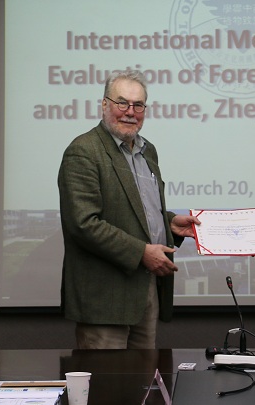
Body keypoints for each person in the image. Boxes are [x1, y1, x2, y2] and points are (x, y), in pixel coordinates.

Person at [58, 69, 200, 349]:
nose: (130, 112)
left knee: (143, 376)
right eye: (122, 103)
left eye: (138, 105)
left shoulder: (148, 151)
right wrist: (141, 252)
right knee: (106, 378)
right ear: (104, 104)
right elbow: (83, 224)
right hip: (105, 299)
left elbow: (137, 209)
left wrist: (169, 223)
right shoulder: (84, 151)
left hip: (146, 291)